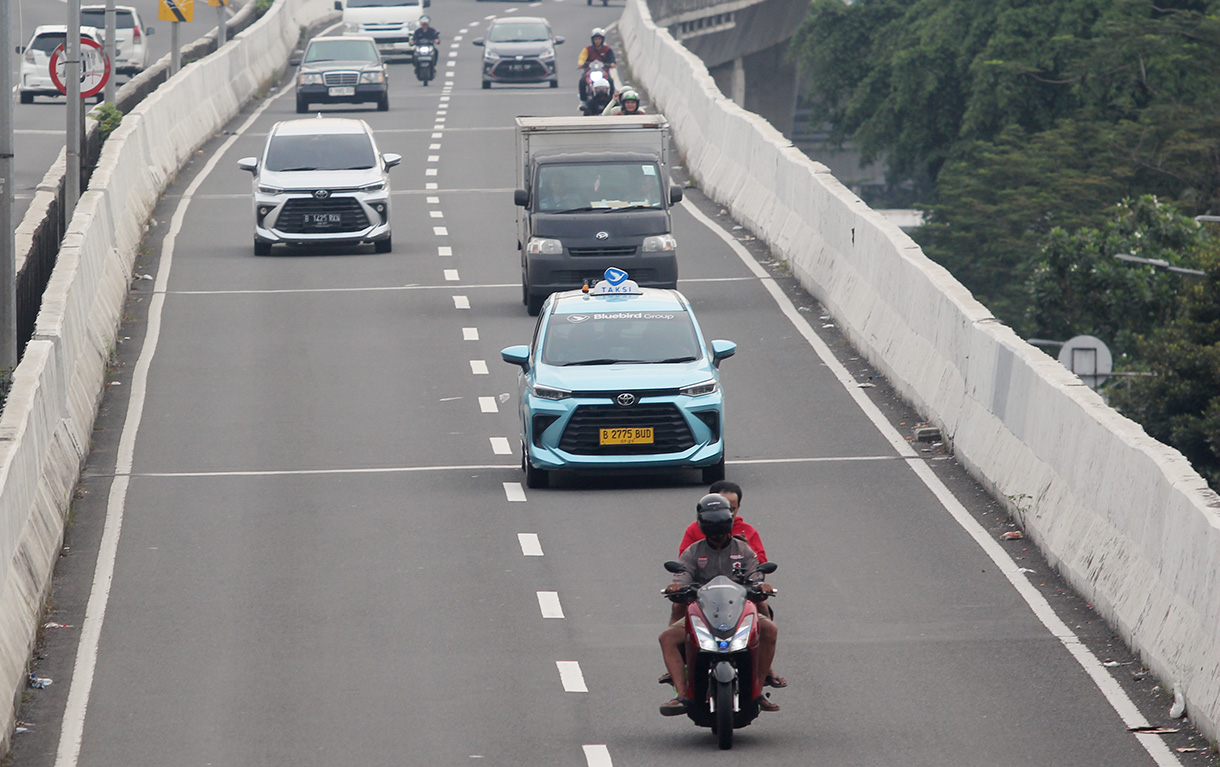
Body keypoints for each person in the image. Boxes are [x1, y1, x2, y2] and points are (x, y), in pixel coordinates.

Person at [658, 494, 780, 716]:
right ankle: (682, 694)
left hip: (740, 612)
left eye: (721, 530)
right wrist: (676, 588)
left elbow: (755, 575)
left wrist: (761, 586)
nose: (717, 536)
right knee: (667, 638)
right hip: (703, 613)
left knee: (770, 629)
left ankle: (759, 689)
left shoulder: (743, 550)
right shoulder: (693, 552)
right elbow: (682, 576)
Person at [577, 28, 616, 101]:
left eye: (599, 39)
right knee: (582, 81)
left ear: (602, 40)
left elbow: (612, 59)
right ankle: (583, 101)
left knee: (610, 81)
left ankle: (612, 100)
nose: (597, 41)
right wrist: (581, 64)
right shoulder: (587, 49)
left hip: (603, 71)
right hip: (590, 71)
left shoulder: (607, 49)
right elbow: (582, 57)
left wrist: (612, 64)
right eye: (595, 39)